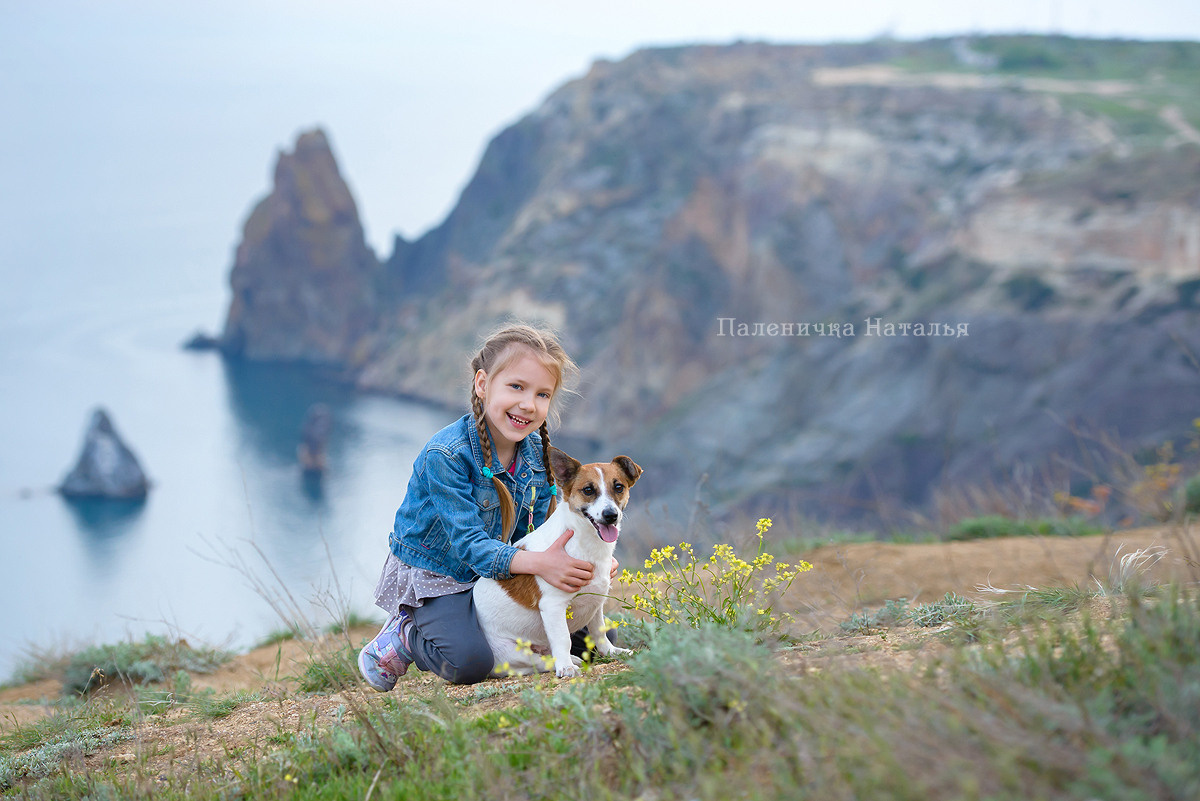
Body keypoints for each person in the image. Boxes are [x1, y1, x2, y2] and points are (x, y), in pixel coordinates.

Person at [359, 323, 613, 688]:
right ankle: (408, 633)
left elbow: (537, 532)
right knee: (469, 662)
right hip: (440, 576)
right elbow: (469, 546)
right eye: (516, 387)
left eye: (542, 394)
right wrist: (542, 564)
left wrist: (584, 562)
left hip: (497, 574)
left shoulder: (537, 454)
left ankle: (495, 630)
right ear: (482, 384)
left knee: (590, 644)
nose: (528, 404)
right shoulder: (446, 455)